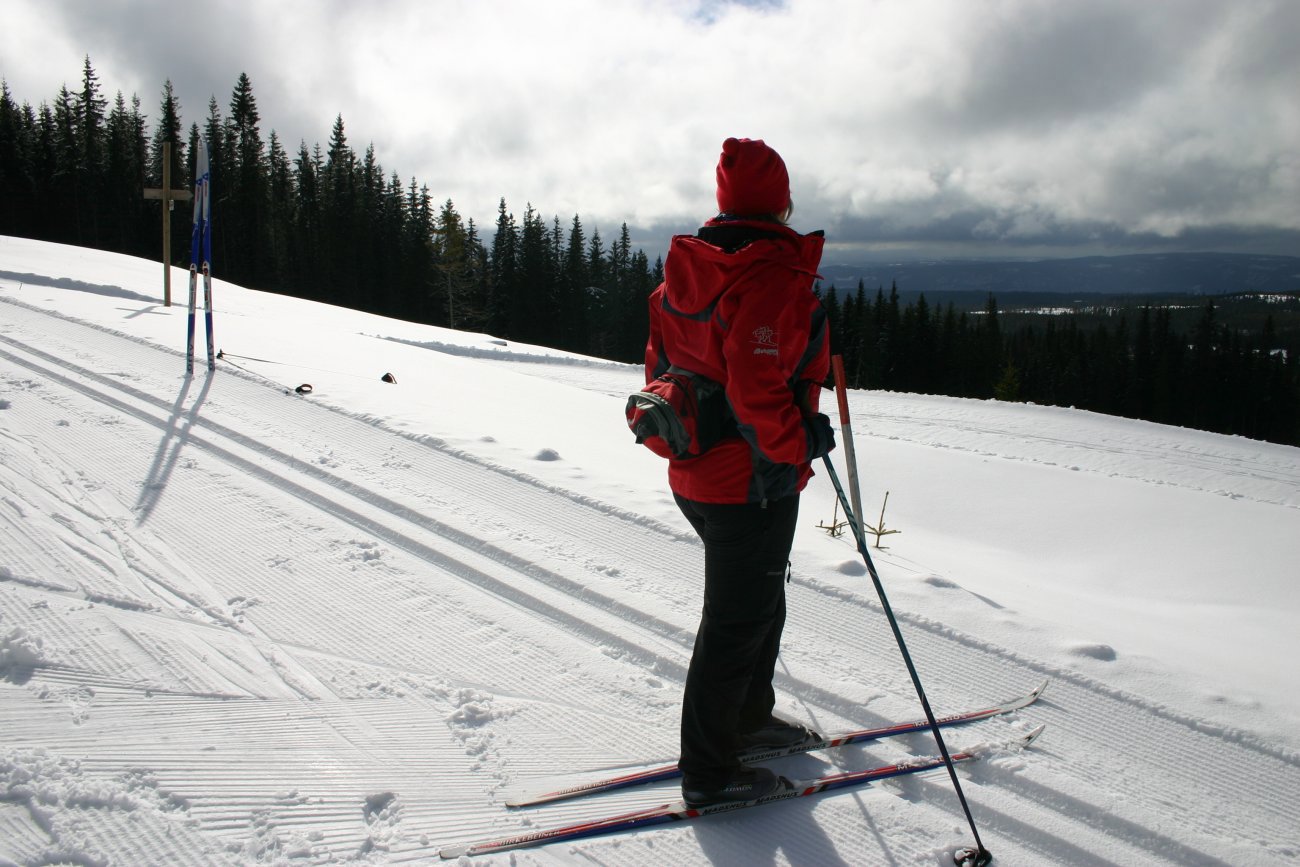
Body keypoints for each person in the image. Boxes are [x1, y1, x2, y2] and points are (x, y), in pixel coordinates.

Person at [643, 137, 836, 807]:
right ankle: (709, 770)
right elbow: (757, 394)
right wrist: (802, 437)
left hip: (696, 474)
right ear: (779, 203)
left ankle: (750, 719)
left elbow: (659, 371)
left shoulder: (683, 275)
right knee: (733, 622)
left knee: (758, 601)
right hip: (749, 484)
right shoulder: (770, 279)